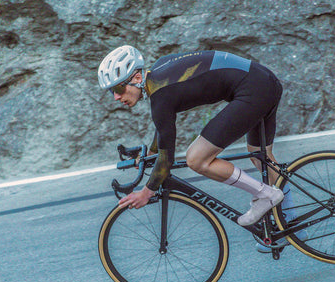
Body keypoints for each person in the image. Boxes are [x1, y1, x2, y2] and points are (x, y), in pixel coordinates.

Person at [97, 45, 284, 227]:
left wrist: (146, 193)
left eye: (118, 89)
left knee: (196, 159)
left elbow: (166, 159)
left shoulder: (161, 96)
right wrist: (151, 153)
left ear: (137, 77)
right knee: (261, 157)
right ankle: (289, 222)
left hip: (254, 90)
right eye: (111, 92)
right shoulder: (160, 72)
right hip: (264, 80)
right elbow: (163, 128)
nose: (115, 97)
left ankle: (265, 195)